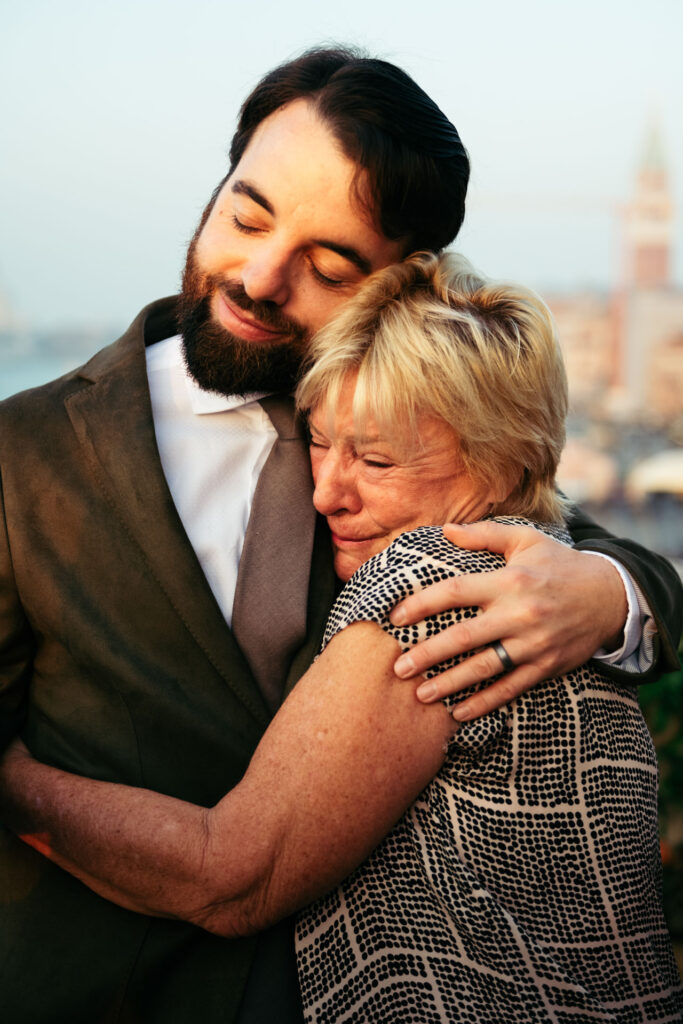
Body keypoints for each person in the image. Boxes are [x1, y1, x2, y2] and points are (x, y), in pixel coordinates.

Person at [0, 45, 680, 1024]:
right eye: (247, 212)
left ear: (396, 286)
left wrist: (600, 595)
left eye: (327, 264)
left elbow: (608, 557)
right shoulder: (24, 454)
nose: (261, 275)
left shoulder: (419, 437)